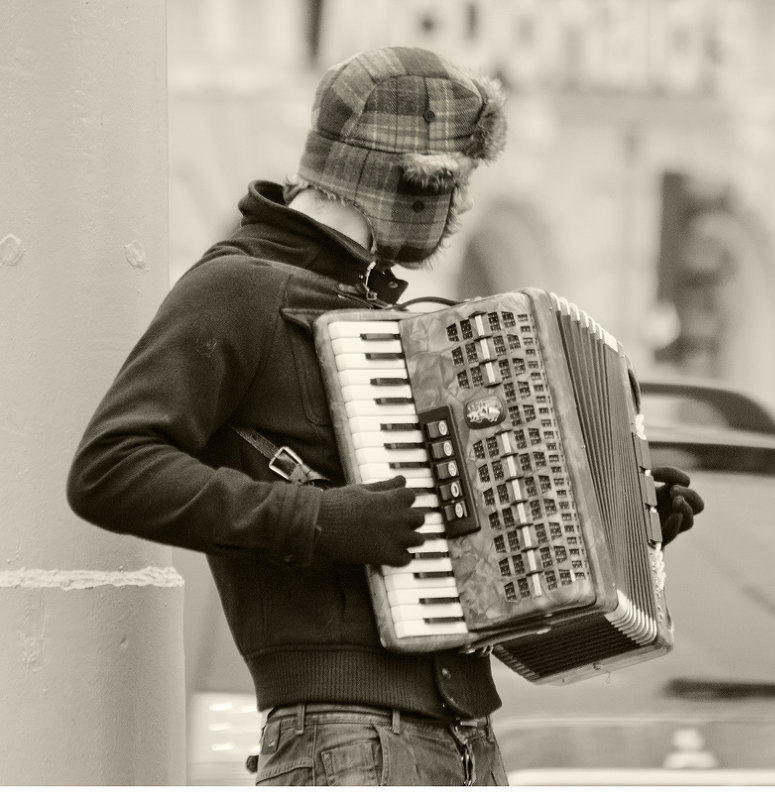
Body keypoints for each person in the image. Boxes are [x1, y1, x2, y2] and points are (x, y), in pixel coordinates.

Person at [65, 45, 703, 787]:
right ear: (401, 179)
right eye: (449, 187)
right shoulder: (238, 289)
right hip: (343, 734)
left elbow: (477, 540)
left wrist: (625, 517)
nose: (453, 214)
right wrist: (320, 520)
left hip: (465, 737)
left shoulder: (385, 314)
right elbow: (110, 467)